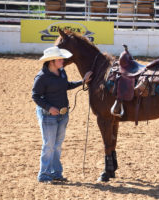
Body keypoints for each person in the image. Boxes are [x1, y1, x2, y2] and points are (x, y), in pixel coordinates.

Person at [32, 46, 92, 183]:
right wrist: (49, 107)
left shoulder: (62, 72)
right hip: (48, 115)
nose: (63, 60)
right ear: (51, 61)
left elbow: (66, 85)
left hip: (63, 115)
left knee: (57, 145)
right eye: (60, 58)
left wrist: (82, 81)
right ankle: (44, 174)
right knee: (49, 145)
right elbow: (35, 96)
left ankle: (56, 173)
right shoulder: (42, 77)